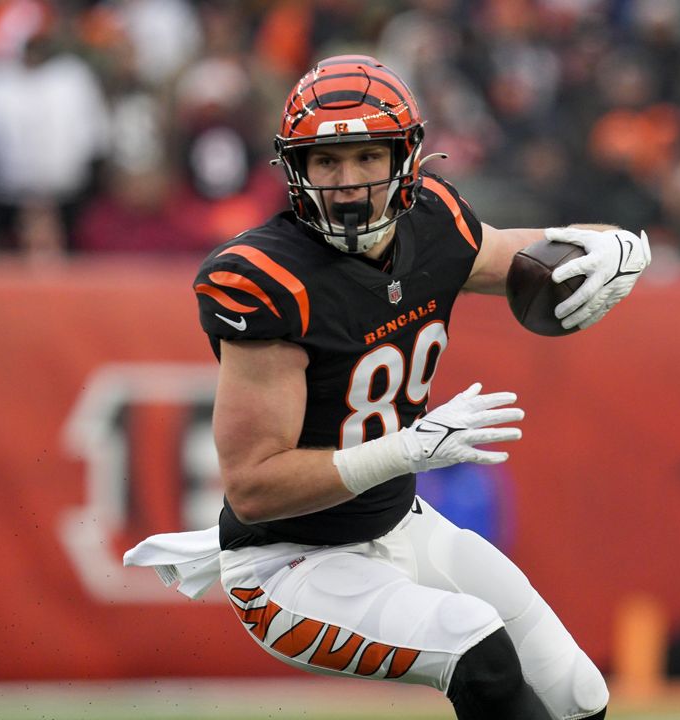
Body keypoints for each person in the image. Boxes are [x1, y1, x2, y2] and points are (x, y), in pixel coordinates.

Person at [125, 55, 651, 720]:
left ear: (405, 158)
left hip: (399, 524)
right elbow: (254, 487)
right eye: (326, 162)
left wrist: (626, 250)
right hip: (292, 565)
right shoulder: (268, 279)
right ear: (296, 171)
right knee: (476, 650)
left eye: (367, 157)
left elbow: (539, 251)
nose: (347, 184)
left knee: (577, 694)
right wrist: (406, 450)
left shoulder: (434, 224)